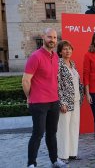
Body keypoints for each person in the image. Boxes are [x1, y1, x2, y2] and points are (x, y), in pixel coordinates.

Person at [22, 28, 66, 168]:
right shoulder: (35, 56)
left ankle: (54, 161)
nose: (52, 40)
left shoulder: (56, 57)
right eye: (49, 37)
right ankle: (31, 164)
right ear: (43, 37)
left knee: (52, 133)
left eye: (54, 37)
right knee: (38, 134)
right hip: (39, 102)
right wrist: (29, 97)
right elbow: (26, 80)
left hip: (54, 101)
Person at [56, 40, 84, 164]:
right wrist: (61, 101)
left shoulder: (73, 64)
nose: (68, 51)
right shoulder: (58, 64)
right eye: (65, 49)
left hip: (76, 100)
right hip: (65, 103)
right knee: (63, 128)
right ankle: (63, 155)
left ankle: (73, 153)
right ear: (60, 51)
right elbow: (57, 84)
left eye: (69, 49)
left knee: (74, 127)